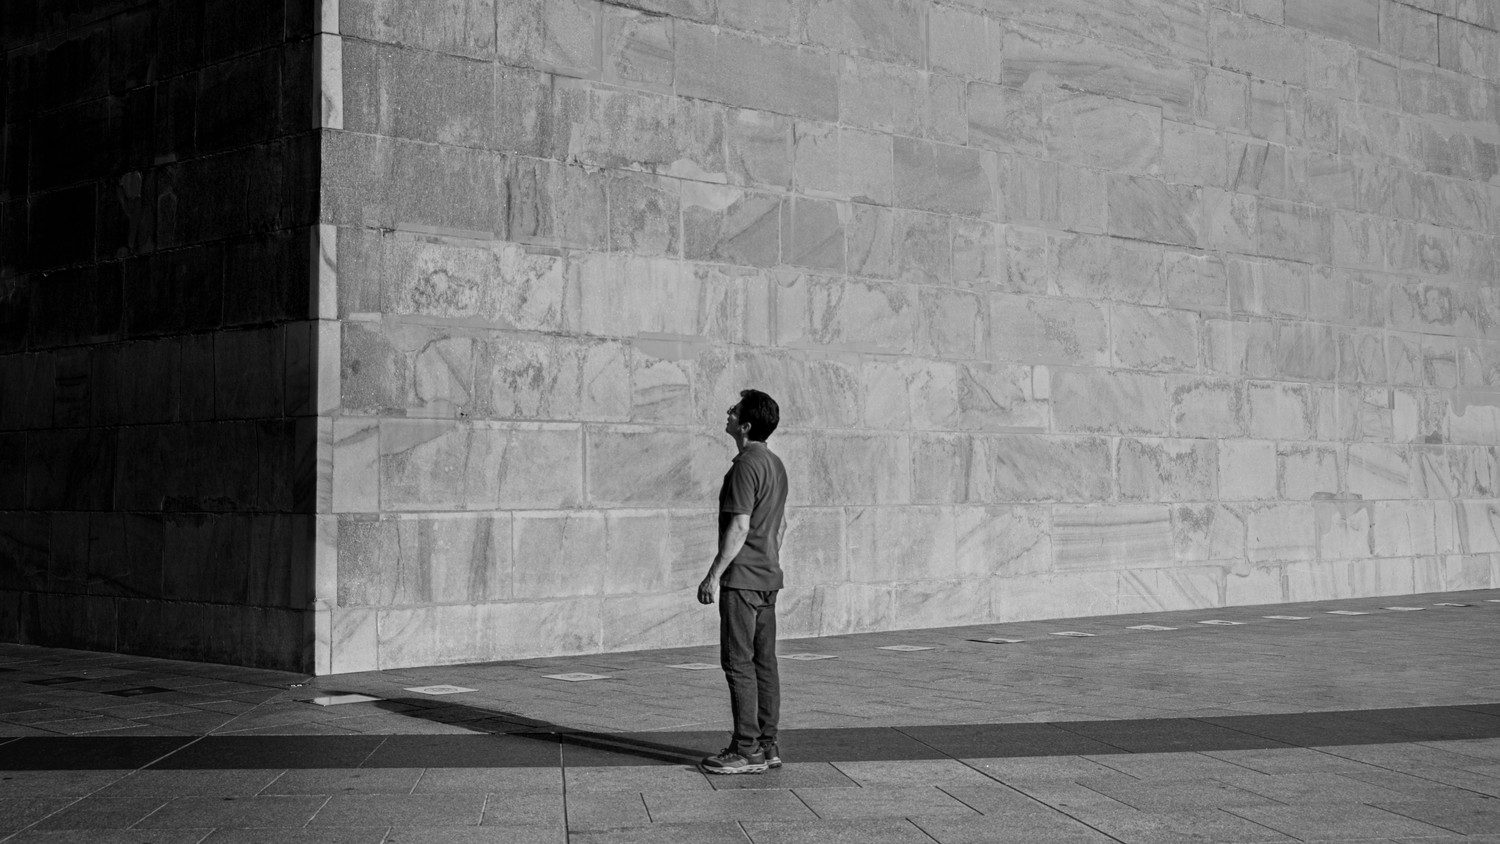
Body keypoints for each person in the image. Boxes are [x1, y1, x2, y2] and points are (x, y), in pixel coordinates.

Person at [697, 389, 788, 775]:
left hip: (743, 580)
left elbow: (739, 525)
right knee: (764, 662)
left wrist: (713, 575)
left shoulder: (745, 466)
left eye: (734, 411)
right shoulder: (776, 465)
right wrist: (768, 561)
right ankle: (767, 745)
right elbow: (781, 525)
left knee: (738, 663)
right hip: (767, 577)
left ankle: (746, 748)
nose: (728, 412)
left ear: (745, 425)